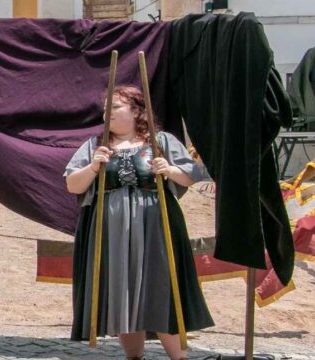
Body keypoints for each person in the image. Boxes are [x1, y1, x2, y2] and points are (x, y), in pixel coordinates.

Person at [64, 85, 214, 360]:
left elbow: (191, 176)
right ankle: (134, 357)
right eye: (105, 109)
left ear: (135, 111)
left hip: (155, 227)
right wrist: (93, 167)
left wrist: (169, 170)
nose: (107, 114)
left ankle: (179, 358)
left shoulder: (160, 142)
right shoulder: (95, 146)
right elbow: (73, 185)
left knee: (160, 286)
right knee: (123, 289)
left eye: (115, 107)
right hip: (111, 231)